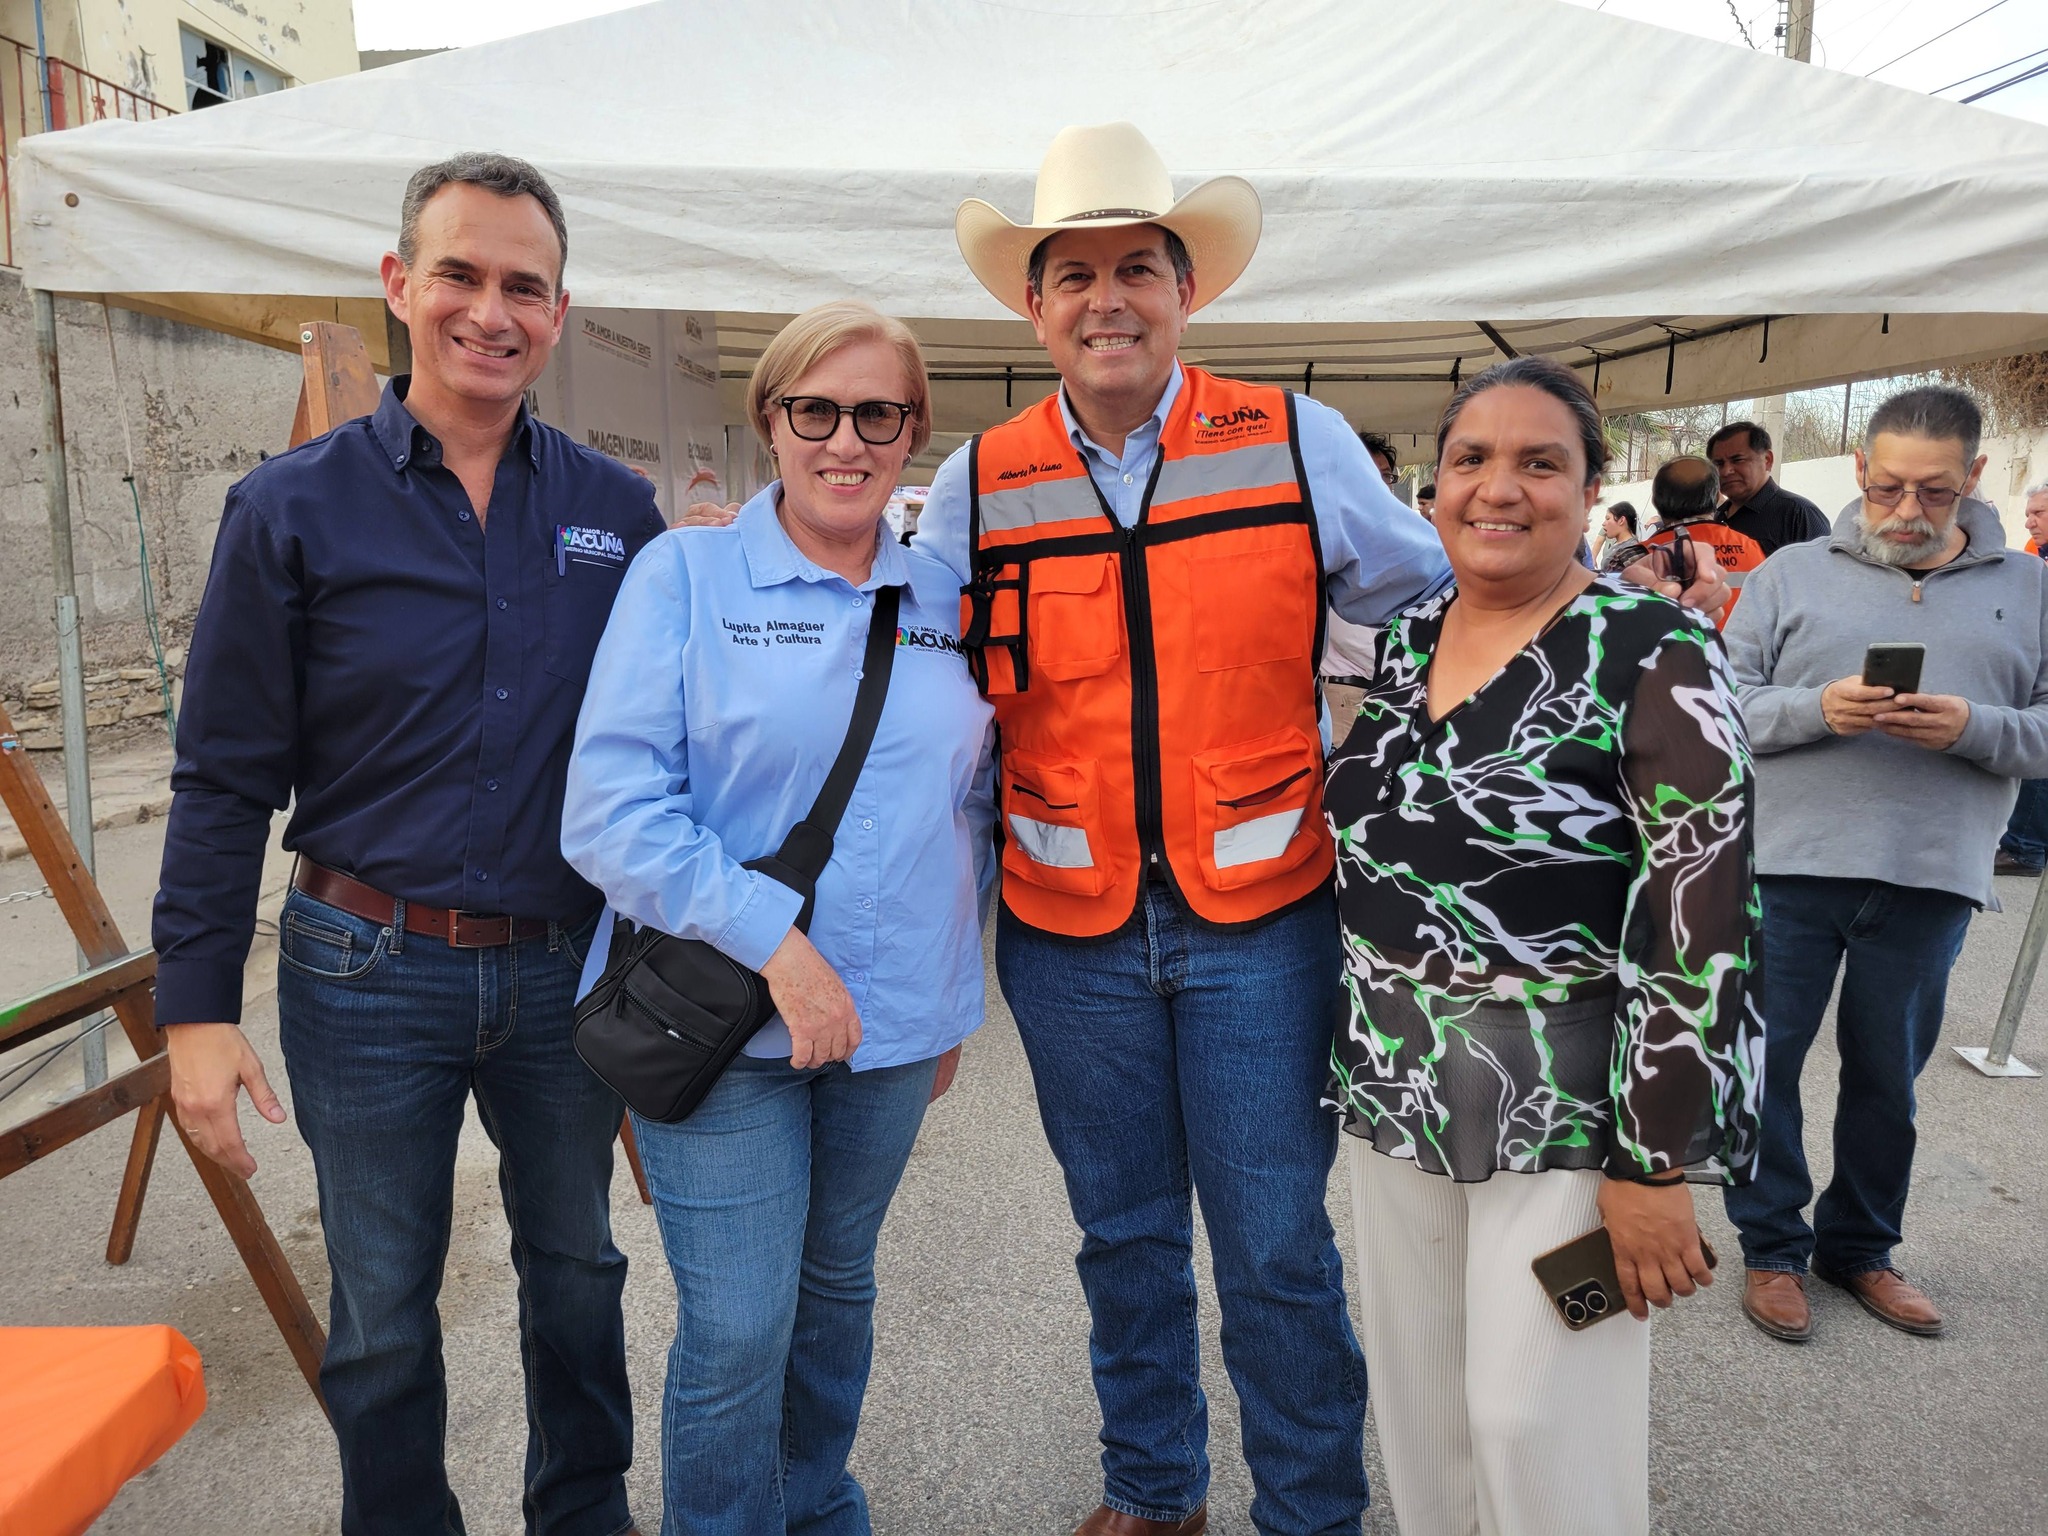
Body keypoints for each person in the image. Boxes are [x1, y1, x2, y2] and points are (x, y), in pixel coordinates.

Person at [913, 120, 1730, 1536]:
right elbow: (913, 688)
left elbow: (1471, 593)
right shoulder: (978, 482)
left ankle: (1309, 1511)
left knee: (1284, 1250)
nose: (1109, 298)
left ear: (1188, 291)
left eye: (1140, 269)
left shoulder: (1296, 439)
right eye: (1075, 274)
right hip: (1068, 930)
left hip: (1265, 926)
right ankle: (1156, 1490)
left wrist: (1640, 655)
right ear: (1031, 304)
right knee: (1123, 1243)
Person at [153, 154, 659, 1535]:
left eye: (524, 286)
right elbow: (218, 779)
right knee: (381, 1313)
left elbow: (679, 747)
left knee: (579, 1277)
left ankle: (582, 1517)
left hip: (566, 970)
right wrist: (194, 1009)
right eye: (461, 274)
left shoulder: (619, 518)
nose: (490, 310)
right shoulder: (292, 509)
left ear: (561, 312)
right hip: (362, 967)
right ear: (399, 286)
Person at [561, 301, 996, 1536]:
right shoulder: (685, 573)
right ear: (771, 424)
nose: (845, 441)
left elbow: (963, 803)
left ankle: (813, 1506)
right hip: (720, 1021)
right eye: (817, 410)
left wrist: (942, 998)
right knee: (741, 1324)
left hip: (891, 1024)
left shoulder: (947, 597)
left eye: (878, 414)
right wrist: (777, 945)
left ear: (913, 431)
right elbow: (607, 811)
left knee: (836, 1291)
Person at [1325, 357, 1759, 1536]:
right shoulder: (1408, 638)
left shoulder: (1653, 650)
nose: (1496, 488)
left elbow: (1701, 916)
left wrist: (1653, 1165)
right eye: (1469, 459)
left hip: (1574, 1116)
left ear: (1587, 488)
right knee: (1422, 1411)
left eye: (1537, 462)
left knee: (1537, 1417)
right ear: (1431, 485)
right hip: (1395, 1091)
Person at [1722, 385, 2048, 1343]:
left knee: (1886, 1079)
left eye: (1935, 493)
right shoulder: (1788, 572)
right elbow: (1719, 706)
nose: (1907, 512)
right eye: (1890, 486)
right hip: (1786, 866)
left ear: (1976, 478)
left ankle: (1860, 1248)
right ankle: (1772, 1249)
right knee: (1766, 1067)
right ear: (1860, 468)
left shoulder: (2032, 589)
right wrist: (1817, 709)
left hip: (1929, 874)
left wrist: (1974, 728)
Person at [1640, 456, 1766, 625]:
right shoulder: (1751, 548)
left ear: (1655, 501)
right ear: (1716, 496)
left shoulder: (1636, 558)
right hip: (1741, 650)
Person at [1995, 481, 2048, 877]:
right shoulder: (2035, 556)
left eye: (2039, 514)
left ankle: (2026, 848)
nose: (2030, 522)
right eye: (2028, 513)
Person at [1706, 420, 1830, 556]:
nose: (1726, 471)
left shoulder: (1799, 514)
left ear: (1767, 460)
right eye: (1719, 464)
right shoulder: (1715, 517)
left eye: (1737, 460)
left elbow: (1822, 573)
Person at [1593, 499, 1637, 565]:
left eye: (1608, 518)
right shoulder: (1617, 545)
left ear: (1621, 520)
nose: (1603, 523)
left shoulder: (1631, 549)